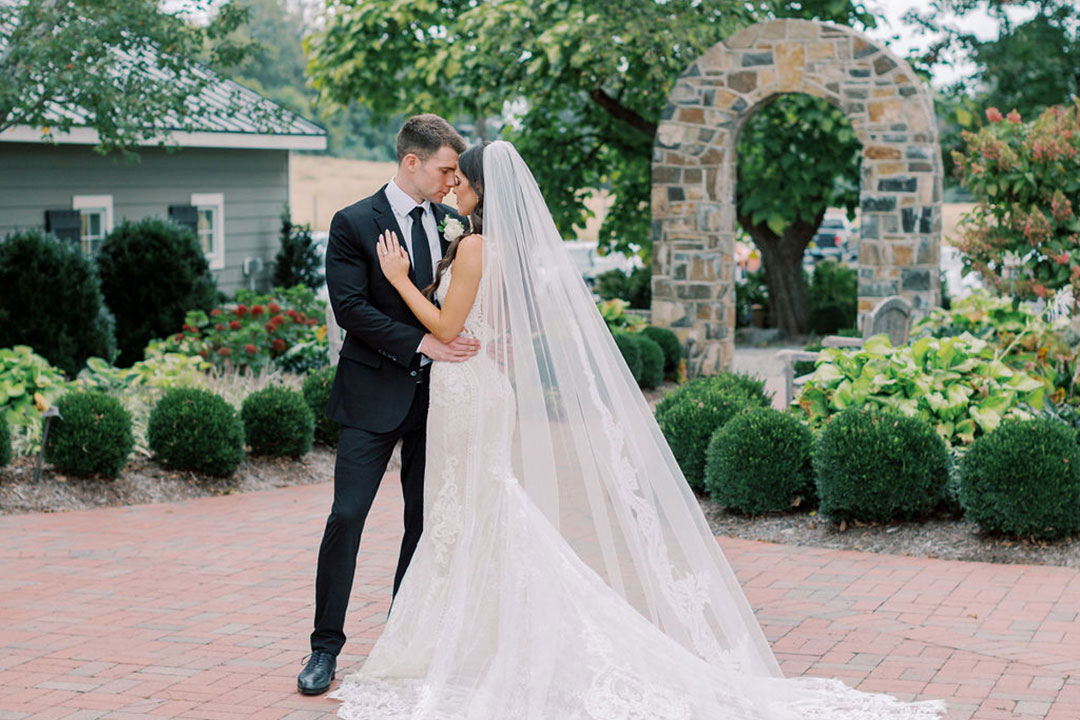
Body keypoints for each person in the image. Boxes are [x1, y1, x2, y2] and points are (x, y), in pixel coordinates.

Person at [330, 140, 945, 719]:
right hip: (477, 384)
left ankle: (467, 640)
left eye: (460, 181)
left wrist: (401, 278)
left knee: (469, 508)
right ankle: (466, 634)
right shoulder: (497, 247)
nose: (451, 191)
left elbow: (445, 327)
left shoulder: (472, 247)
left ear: (483, 189)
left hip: (467, 386)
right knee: (469, 509)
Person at [297, 114, 479, 696]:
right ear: (412, 162)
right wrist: (423, 341)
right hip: (371, 392)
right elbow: (350, 308)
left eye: (456, 173)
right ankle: (323, 648)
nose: (453, 182)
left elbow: (462, 302)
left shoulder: (454, 223)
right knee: (346, 517)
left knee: (423, 524)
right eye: (446, 169)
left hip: (438, 399)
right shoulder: (352, 222)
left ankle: (403, 639)